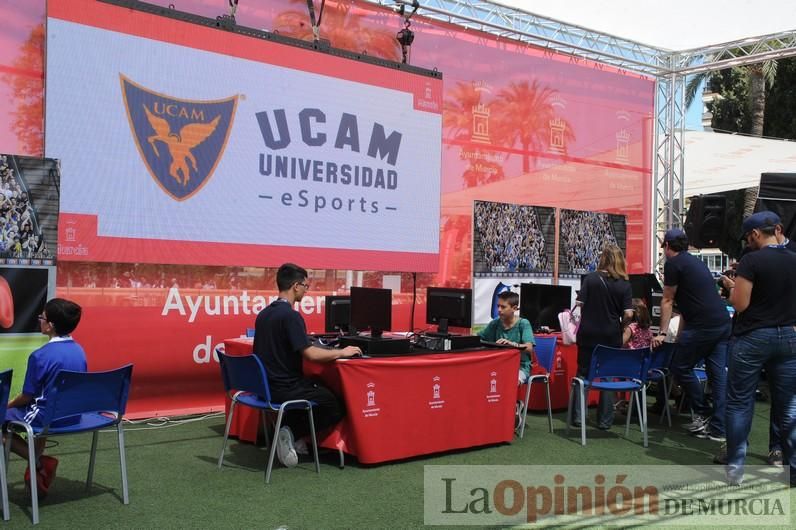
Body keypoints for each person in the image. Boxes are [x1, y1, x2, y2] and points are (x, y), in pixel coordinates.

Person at [252, 263, 360, 468]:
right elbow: (310, 354)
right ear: (295, 286)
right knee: (334, 405)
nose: (306, 290)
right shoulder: (291, 316)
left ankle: (288, 431)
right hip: (285, 389)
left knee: (312, 387)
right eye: (305, 286)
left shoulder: (264, 314)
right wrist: (342, 352)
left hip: (266, 387)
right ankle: (290, 431)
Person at [717, 211, 796, 485]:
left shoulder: (751, 260)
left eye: (749, 237)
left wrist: (731, 288)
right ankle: (792, 469)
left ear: (754, 234)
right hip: (788, 337)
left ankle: (736, 469)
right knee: (788, 407)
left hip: (753, 336)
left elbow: (740, 304)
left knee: (739, 402)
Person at [652, 228, 731, 443]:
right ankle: (719, 427)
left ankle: (703, 413)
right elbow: (690, 305)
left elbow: (667, 300)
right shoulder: (695, 263)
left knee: (679, 367)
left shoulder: (673, 264)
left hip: (703, 326)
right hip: (722, 323)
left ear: (667, 246)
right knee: (717, 375)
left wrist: (662, 333)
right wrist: (678, 336)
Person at [4, 298, 87, 497]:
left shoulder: (40, 356)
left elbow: (26, 397)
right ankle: (36, 473)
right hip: (71, 416)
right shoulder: (80, 351)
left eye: (42, 317)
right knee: (42, 414)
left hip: (48, 417)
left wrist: (6, 406)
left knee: (4, 423)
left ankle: (41, 463)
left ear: (50, 326)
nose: (39, 319)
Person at [572, 244, 633, 429]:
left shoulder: (591, 279)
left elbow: (579, 305)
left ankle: (578, 417)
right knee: (607, 376)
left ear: (603, 259)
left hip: (588, 333)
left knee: (582, 374)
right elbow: (629, 314)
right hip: (610, 334)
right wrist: (620, 325)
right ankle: (605, 421)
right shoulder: (625, 284)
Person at [478, 290, 535, 386]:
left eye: (503, 307)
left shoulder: (524, 323)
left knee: (509, 382)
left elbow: (529, 348)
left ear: (514, 308)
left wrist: (512, 344)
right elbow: (478, 338)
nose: (499, 310)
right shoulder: (495, 323)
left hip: (520, 367)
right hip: (498, 365)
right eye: (498, 306)